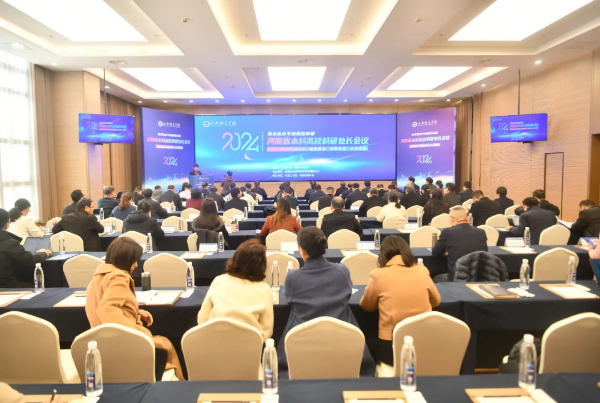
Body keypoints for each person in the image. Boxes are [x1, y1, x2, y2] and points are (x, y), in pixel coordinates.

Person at [85, 236, 183, 380]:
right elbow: (106, 310)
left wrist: (134, 311)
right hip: (121, 348)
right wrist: (137, 336)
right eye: (134, 260)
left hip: (101, 343)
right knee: (166, 345)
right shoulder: (119, 277)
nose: (136, 265)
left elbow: (104, 303)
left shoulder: (98, 277)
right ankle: (180, 387)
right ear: (125, 259)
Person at [278, 227, 369, 372]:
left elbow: (289, 299)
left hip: (302, 344)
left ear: (301, 250)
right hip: (343, 343)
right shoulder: (342, 271)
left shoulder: (293, 277)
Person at [360, 236, 441, 365]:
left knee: (364, 337)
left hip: (392, 347)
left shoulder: (378, 275)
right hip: (423, 343)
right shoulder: (422, 270)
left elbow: (367, 306)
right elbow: (436, 301)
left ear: (383, 254)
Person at [198, 239, 274, 340]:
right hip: (249, 344)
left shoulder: (219, 280)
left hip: (214, 341)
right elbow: (267, 330)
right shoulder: (265, 289)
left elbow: (202, 319)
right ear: (261, 265)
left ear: (235, 259)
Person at [0, 208, 51, 288]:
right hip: (6, 286)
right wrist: (43, 253)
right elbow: (30, 260)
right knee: (40, 285)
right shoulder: (9, 243)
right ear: (7, 224)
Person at [432, 207, 488, 279]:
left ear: (452, 219)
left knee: (435, 278)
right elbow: (485, 252)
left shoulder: (447, 232)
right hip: (478, 277)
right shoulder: (481, 232)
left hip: (457, 277)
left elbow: (435, 252)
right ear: (468, 218)